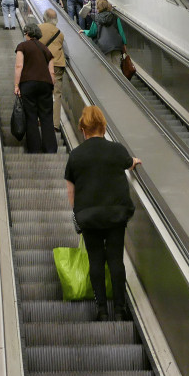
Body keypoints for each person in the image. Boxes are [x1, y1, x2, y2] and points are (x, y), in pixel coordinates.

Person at [64, 106, 142, 321]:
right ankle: (119, 309)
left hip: (89, 216)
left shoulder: (76, 156)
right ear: (104, 127)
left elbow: (71, 189)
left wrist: (77, 214)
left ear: (82, 129)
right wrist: (134, 162)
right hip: (115, 214)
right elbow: (130, 163)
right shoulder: (117, 150)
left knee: (96, 260)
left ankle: (101, 310)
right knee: (116, 260)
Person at [14, 22, 57, 154]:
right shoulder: (45, 49)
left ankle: (34, 148)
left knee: (31, 116)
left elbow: (19, 66)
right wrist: (51, 86)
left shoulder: (22, 46)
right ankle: (50, 148)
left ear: (27, 33)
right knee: (46, 117)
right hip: (45, 85)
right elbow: (52, 72)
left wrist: (16, 85)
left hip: (28, 84)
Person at [38, 8, 66, 134]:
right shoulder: (59, 33)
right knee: (56, 94)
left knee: (41, 92)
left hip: (43, 64)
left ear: (45, 18)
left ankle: (41, 119)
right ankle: (55, 124)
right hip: (58, 64)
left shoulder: (38, 29)